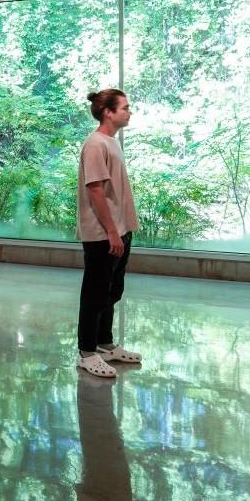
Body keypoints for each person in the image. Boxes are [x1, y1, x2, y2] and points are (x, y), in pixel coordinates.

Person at [75, 89, 143, 378]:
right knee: (95, 293)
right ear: (108, 112)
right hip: (103, 234)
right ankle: (86, 352)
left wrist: (123, 230)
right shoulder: (95, 145)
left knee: (112, 291)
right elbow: (95, 191)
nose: (130, 112)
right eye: (125, 107)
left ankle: (105, 344)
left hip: (119, 230)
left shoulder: (111, 143)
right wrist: (112, 232)